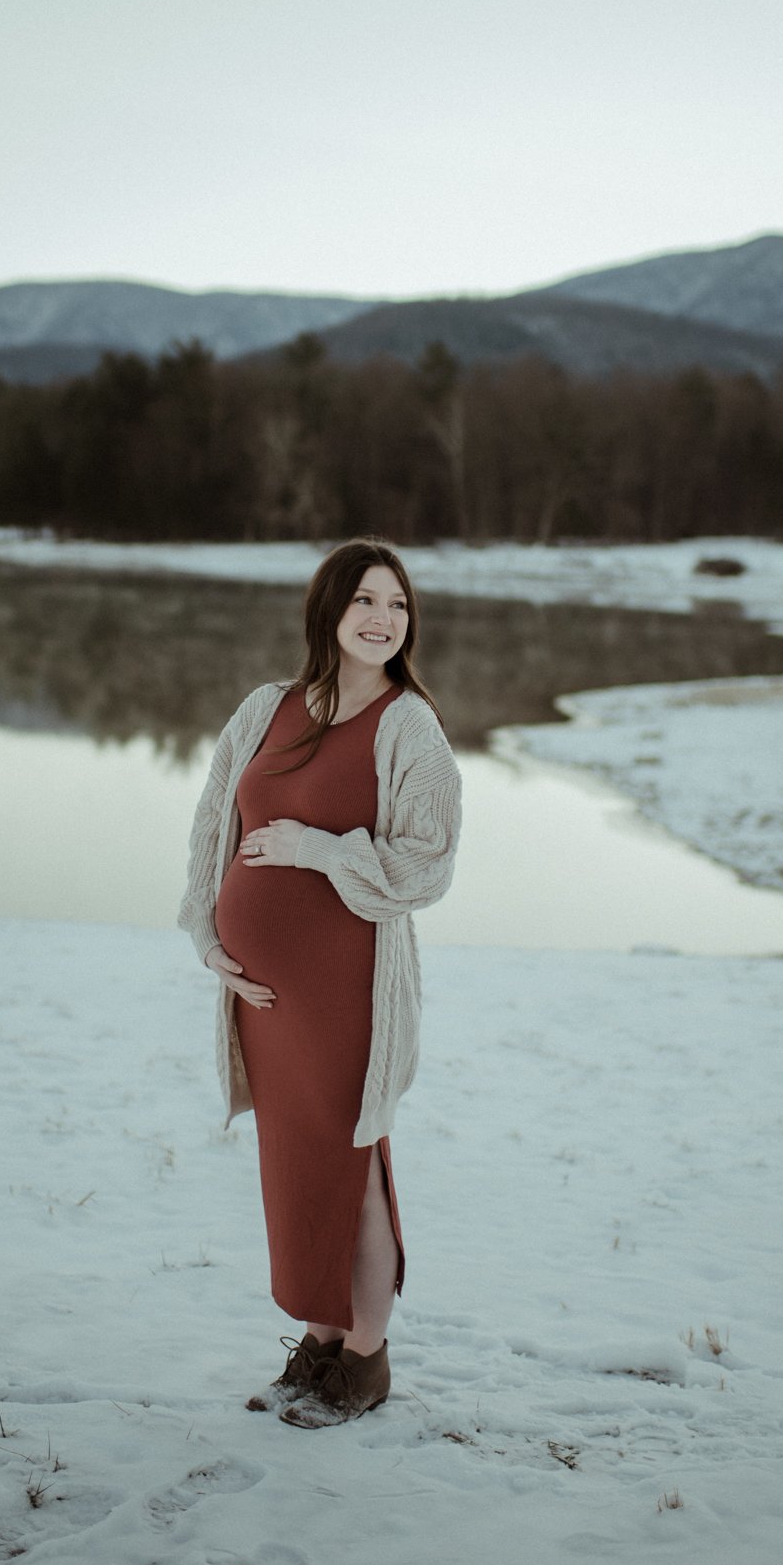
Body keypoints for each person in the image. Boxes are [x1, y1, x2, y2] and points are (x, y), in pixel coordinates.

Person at [178, 536, 462, 1426]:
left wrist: (316, 850)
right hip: (265, 998)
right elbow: (211, 827)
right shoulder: (267, 708)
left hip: (347, 994)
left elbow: (426, 868)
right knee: (295, 1164)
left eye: (398, 605)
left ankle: (365, 1359)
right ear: (330, 614)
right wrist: (206, 931)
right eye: (365, 603)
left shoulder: (409, 726)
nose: (383, 620)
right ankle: (319, 1343)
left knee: (354, 1163)